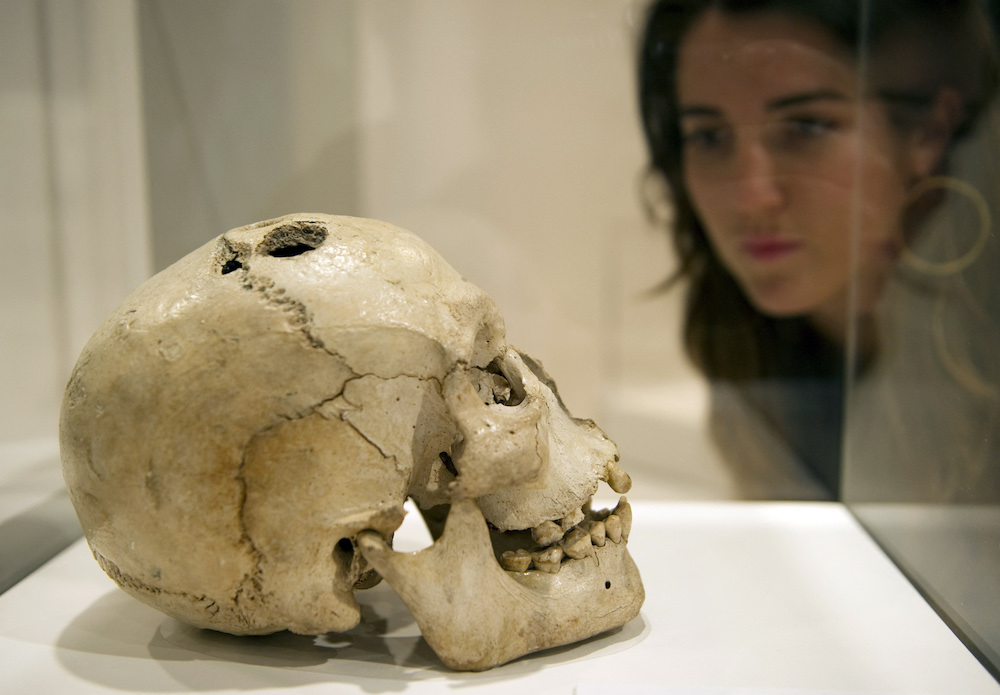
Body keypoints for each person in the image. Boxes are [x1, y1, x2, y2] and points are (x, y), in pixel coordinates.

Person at [637, 0, 999, 499]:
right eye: (710, 136)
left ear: (929, 131)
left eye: (806, 127)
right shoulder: (745, 337)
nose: (751, 196)